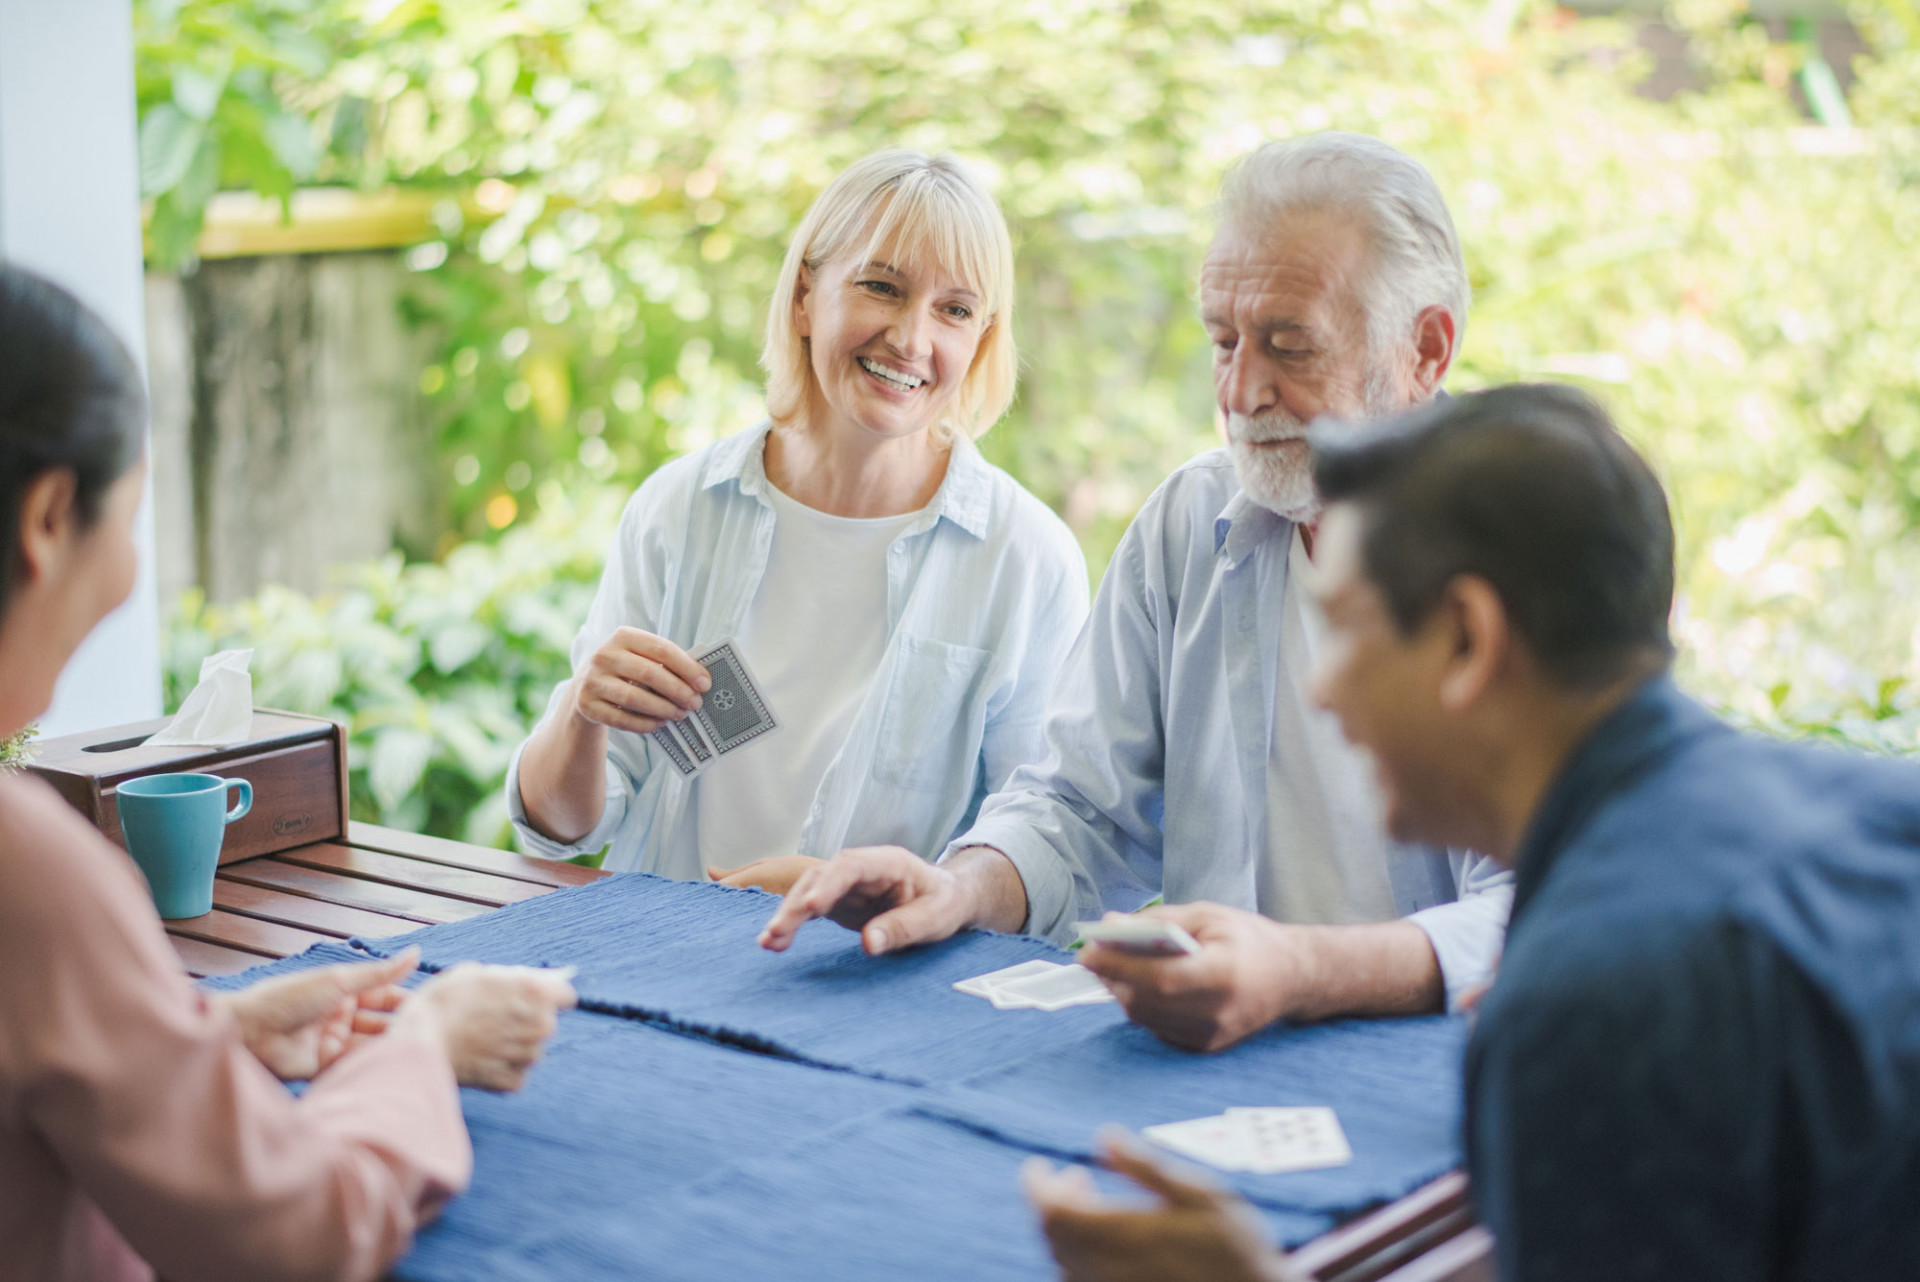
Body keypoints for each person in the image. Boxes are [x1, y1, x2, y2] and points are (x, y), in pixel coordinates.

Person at [1026, 384, 1920, 1280]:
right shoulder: (1887, 812)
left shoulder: (1596, 1000)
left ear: (1467, 640)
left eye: (1342, 630)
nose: (1324, 691)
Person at [761, 133, 1510, 1048]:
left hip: (1432, 1075)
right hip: (1206, 1059)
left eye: (1289, 346)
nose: (1240, 391)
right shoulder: (1194, 523)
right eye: (1223, 341)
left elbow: (1543, 909)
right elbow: (1079, 810)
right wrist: (959, 885)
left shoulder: (1525, 549)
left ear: (1425, 349)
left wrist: (1298, 972)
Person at [0, 263, 577, 1282]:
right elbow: (296, 1236)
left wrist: (202, 1033)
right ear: (49, 518)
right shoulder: (27, 865)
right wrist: (422, 1052)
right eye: (130, 517)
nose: (128, 571)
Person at [509, 149, 1088, 888]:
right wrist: (582, 715)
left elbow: (1044, 846)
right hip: (657, 961)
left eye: (956, 310)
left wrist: (853, 903)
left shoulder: (1026, 557)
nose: (913, 340)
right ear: (805, 296)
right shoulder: (680, 508)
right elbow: (563, 828)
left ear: (981, 339)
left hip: (875, 984)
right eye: (883, 286)